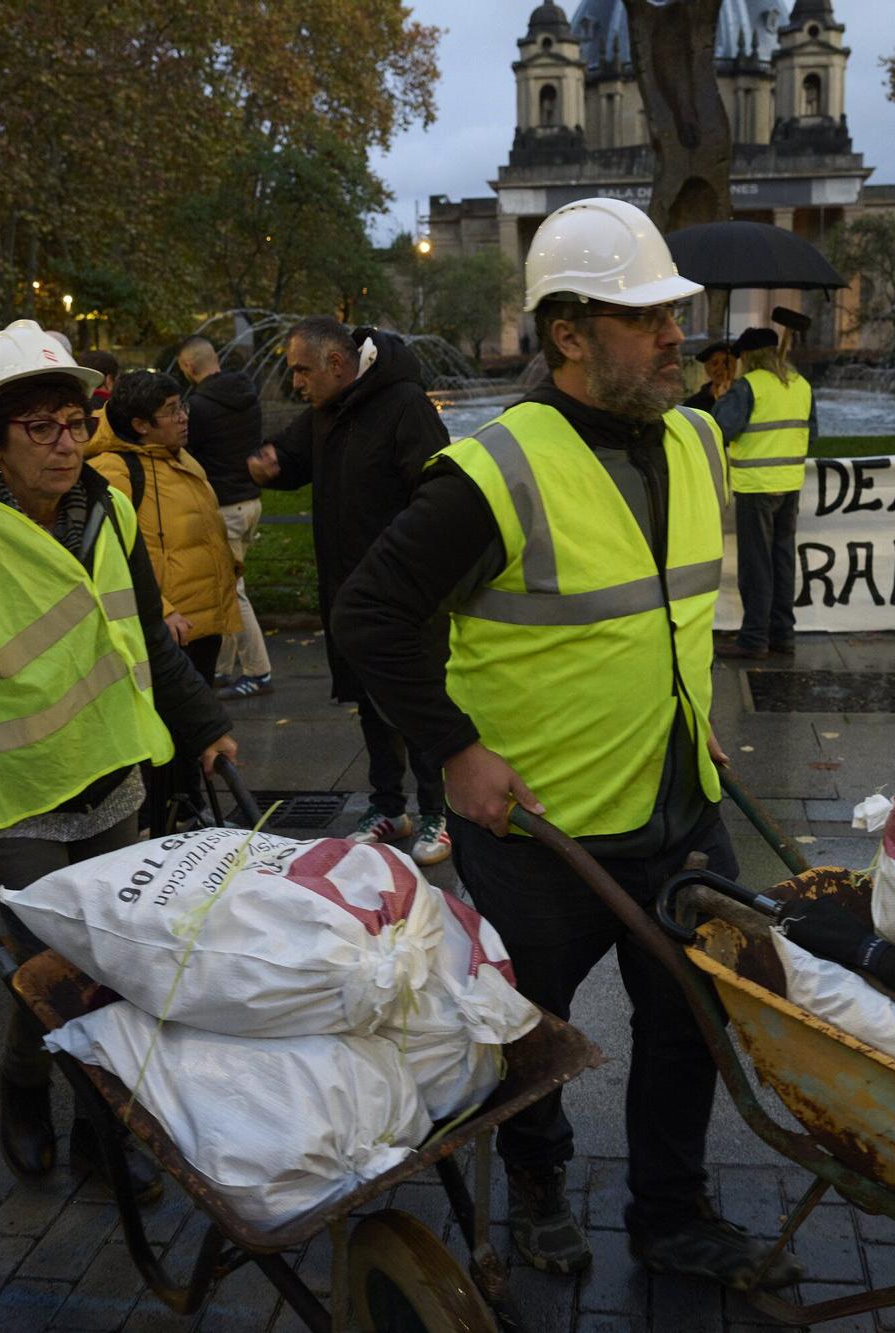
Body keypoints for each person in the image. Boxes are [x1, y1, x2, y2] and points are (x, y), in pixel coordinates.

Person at [332, 197, 802, 1292]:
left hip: (678, 804)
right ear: (568, 336)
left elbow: (664, 610)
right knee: (529, 1037)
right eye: (644, 319)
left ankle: (668, 1213)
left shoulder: (693, 437)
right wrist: (452, 750)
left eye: (672, 313)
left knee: (690, 1017)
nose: (676, 334)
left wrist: (699, 724)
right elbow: (369, 618)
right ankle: (538, 1184)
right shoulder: (496, 467)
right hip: (538, 829)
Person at [0, 320, 238, 1202]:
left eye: (75, 422)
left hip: (113, 775)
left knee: (106, 962)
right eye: (41, 428)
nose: (67, 444)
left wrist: (204, 724)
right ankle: (46, 1103)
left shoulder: (104, 507)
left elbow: (143, 631)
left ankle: (84, 1124)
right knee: (53, 969)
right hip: (14, 796)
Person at [247, 317, 452, 865]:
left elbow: (437, 493)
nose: (296, 382)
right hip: (347, 590)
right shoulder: (328, 410)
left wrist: (413, 570)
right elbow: (292, 457)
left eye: (301, 370)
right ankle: (389, 806)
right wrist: (268, 464)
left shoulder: (405, 404)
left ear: (338, 364)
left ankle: (437, 809)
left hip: (404, 593)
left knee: (416, 700)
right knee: (369, 701)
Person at [84, 369, 239, 679]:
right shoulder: (114, 470)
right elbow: (110, 555)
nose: (183, 417)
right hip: (166, 630)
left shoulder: (179, 457)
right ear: (140, 425)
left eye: (182, 406)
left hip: (201, 624)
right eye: (171, 411)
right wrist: (161, 610)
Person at [175, 336, 273, 697]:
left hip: (224, 507)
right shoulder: (247, 393)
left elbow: (188, 454)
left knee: (232, 592)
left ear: (188, 367)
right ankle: (220, 668)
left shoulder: (198, 406)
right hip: (250, 502)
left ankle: (258, 672)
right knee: (224, 586)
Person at [712, 325, 817, 659]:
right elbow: (811, 435)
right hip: (789, 484)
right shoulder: (801, 385)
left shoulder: (747, 387)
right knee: (782, 561)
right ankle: (782, 635)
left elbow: (722, 428)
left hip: (756, 487)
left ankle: (754, 638)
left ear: (748, 357)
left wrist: (723, 398)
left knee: (756, 565)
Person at [680, 340, 734, 412]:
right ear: (707, 369)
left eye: (726, 362)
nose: (721, 368)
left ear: (735, 365)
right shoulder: (693, 405)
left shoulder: (745, 396)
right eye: (715, 363)